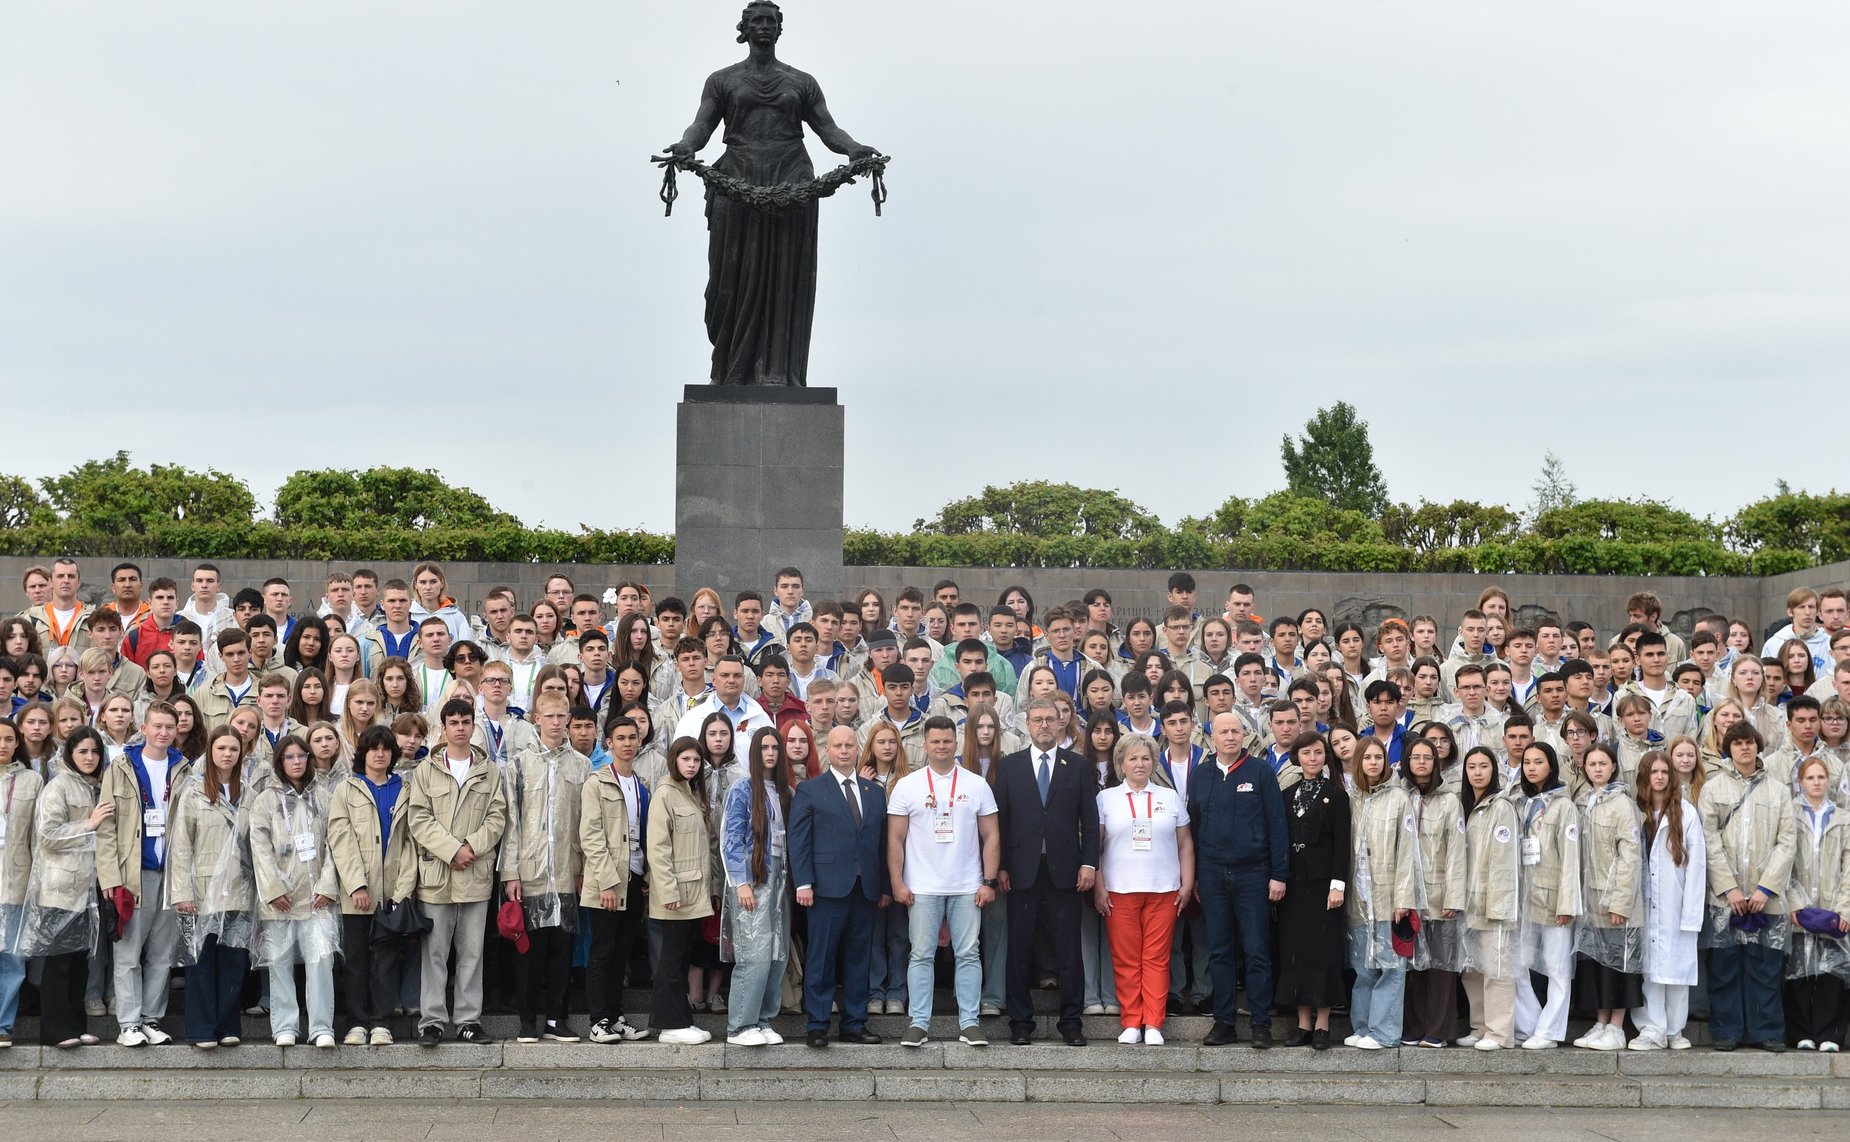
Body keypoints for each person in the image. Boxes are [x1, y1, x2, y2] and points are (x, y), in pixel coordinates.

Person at [886, 714, 1000, 1048]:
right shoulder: (908, 785)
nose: (941, 746)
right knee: (920, 954)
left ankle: (969, 1023)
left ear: (956, 742)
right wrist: (897, 882)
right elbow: (894, 839)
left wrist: (988, 881)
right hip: (921, 885)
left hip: (967, 884)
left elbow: (991, 835)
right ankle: (919, 1022)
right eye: (935, 741)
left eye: (947, 741)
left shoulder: (975, 784)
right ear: (925, 744)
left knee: (969, 954)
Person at [993, 697, 1100, 1046]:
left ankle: (1071, 1023)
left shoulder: (1079, 766)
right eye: (1037, 720)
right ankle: (1020, 1023)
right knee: (1019, 949)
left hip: (1066, 872)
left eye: (1050, 720)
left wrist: (1089, 864)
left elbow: (1090, 820)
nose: (1043, 726)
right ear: (1027, 723)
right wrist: (1002, 867)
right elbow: (1002, 822)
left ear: (1060, 724)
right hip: (1021, 872)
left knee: (1068, 949)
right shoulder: (1010, 767)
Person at [405, 697, 509, 1047]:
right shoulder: (426, 770)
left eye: (466, 721)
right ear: (444, 727)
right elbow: (418, 818)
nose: (461, 728)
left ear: (473, 726)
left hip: (475, 874)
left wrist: (471, 848)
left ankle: (467, 1019)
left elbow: (497, 817)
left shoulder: (489, 770)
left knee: (471, 953)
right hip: (437, 875)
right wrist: (451, 850)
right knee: (434, 953)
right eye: (454, 722)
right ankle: (432, 1021)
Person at [1190, 711, 1290, 1048]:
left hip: (1254, 874)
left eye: (1236, 731)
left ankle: (1260, 1023)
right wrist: (1198, 876)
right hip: (1214, 875)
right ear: (1212, 737)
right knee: (1220, 951)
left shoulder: (1260, 772)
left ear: (1245, 734)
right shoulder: (1201, 775)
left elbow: (1277, 825)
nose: (1230, 737)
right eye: (1223, 732)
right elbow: (1194, 827)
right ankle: (1224, 1022)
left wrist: (1279, 874)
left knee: (1257, 950)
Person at [94, 701, 189, 1047]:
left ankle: (151, 1017)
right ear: (144, 728)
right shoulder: (120, 767)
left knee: (163, 954)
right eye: (157, 726)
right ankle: (129, 1022)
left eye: (169, 727)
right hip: (134, 873)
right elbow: (106, 828)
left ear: (176, 731)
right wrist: (110, 877)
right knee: (129, 952)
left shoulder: (184, 769)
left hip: (172, 873)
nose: (163, 732)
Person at [1701, 721, 1798, 1052]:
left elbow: (1787, 843)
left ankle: (1767, 1030)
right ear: (1728, 748)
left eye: (1749, 742)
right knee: (1725, 967)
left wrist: (1765, 888)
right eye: (1737, 743)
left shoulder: (1778, 790)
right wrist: (1728, 888)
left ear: (1758, 746)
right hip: (1724, 898)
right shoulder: (1713, 789)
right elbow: (1708, 841)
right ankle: (1727, 1030)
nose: (1744, 748)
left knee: (1765, 967)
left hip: (1764, 898)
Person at [499, 690, 590, 1044]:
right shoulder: (519, 764)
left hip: (566, 872)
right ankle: (527, 1020)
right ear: (536, 718)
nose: (555, 722)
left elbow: (585, 822)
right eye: (548, 715)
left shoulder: (580, 766)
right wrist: (511, 872)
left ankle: (557, 1018)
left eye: (561, 716)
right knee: (529, 952)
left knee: (561, 951)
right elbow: (511, 821)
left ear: (568, 719)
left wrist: (583, 870)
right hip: (530, 872)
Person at [790, 724, 888, 1048]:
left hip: (866, 889)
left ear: (857, 748)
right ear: (827, 751)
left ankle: (854, 1024)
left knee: (860, 958)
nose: (844, 751)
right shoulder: (811, 789)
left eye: (849, 745)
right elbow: (799, 841)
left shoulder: (874, 792)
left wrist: (884, 885)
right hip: (825, 889)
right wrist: (803, 882)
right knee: (821, 958)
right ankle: (817, 1025)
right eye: (838, 746)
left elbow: (881, 843)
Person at [327, 725, 416, 1046]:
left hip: (392, 893)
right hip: (357, 895)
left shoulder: (405, 788)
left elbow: (410, 843)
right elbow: (340, 839)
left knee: (386, 960)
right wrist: (356, 885)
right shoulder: (347, 790)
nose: (380, 754)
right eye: (373, 748)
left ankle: (381, 1022)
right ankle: (356, 1022)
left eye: (386, 749)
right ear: (363, 753)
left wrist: (402, 890)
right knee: (356, 961)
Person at [249, 734, 340, 1047]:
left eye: (302, 756)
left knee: (320, 961)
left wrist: (328, 885)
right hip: (281, 900)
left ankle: (321, 1026)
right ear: (279, 762)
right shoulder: (266, 800)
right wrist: (272, 888)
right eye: (289, 757)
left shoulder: (325, 798)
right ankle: (285, 1024)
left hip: (317, 897)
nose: (297, 762)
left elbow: (335, 844)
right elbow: (259, 847)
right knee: (280, 961)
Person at [169, 726, 257, 1049]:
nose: (227, 754)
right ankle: (201, 1028)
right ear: (210, 751)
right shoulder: (192, 792)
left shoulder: (248, 793)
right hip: (201, 889)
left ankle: (228, 1025)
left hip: (238, 887)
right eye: (221, 748)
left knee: (234, 961)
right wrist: (181, 892)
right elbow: (181, 846)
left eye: (233, 749)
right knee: (200, 961)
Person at [22, 728, 110, 1048]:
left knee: (79, 960)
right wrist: (88, 824)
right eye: (83, 751)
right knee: (59, 961)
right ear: (70, 753)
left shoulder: (96, 786)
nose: (89, 758)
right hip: (60, 886)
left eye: (95, 752)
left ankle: (76, 1024)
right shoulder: (58, 786)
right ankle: (56, 1030)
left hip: (88, 887)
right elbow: (48, 835)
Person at [578, 712, 654, 1044]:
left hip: (635, 875)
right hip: (607, 880)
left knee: (622, 951)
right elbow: (591, 836)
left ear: (640, 742)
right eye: (620, 738)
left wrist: (648, 872)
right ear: (608, 743)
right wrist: (608, 881)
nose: (627, 743)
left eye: (632, 737)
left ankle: (616, 1015)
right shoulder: (597, 783)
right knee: (603, 950)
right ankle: (599, 1020)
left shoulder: (642, 786)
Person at [1273, 732, 1349, 1051]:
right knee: (1297, 951)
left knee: (1323, 951)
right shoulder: (1287, 794)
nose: (1313, 758)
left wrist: (1337, 884)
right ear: (1298, 758)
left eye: (1318, 753)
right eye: (1306, 753)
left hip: (1323, 885)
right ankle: (1302, 1023)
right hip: (1294, 883)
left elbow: (1342, 843)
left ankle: (1322, 1024)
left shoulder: (1337, 795)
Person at [719, 727, 794, 1046]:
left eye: (775, 747)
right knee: (755, 953)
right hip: (754, 876)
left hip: (781, 879)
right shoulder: (742, 789)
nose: (771, 753)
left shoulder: (786, 790)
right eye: (764, 747)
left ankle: (763, 1019)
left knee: (778, 953)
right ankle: (740, 1025)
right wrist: (741, 883)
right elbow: (730, 840)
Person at [1630, 750, 1706, 1051]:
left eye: (1664, 771)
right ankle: (1651, 1028)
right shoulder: (1635, 811)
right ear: (1644, 776)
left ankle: (1675, 1030)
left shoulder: (1686, 813)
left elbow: (1697, 867)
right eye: (1654, 772)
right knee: (1648, 971)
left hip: (1675, 905)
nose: (1659, 777)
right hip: (1642, 904)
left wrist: (1691, 913)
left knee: (1676, 971)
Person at [1572, 744, 1644, 1051]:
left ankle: (1617, 1026)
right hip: (1590, 899)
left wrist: (1620, 901)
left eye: (1603, 763)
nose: (1598, 769)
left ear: (1613, 767)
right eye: (1592, 764)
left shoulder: (1622, 804)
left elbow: (1629, 856)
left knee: (1619, 964)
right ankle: (1600, 1022)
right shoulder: (1582, 801)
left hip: (1614, 898)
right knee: (1595, 962)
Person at [1512, 742, 1583, 1050]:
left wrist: (1567, 903)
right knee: (1519, 965)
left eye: (1538, 761)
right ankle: (1530, 1024)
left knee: (1557, 968)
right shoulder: (1519, 802)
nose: (1531, 767)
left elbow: (1571, 858)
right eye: (1527, 762)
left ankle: (1551, 1030)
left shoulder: (1563, 805)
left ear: (1551, 766)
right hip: (1525, 897)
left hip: (1554, 897)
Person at [1345, 737, 1413, 1050]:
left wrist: (1404, 898)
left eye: (1378, 757)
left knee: (1390, 966)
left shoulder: (1399, 798)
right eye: (1367, 757)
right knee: (1363, 966)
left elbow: (1407, 852)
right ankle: (1362, 1027)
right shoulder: (1352, 797)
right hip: (1359, 898)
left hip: (1388, 898)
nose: (1373, 762)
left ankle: (1385, 1032)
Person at [647, 736, 715, 1045]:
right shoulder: (665, 793)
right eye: (685, 759)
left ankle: (681, 1020)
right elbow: (658, 848)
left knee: (682, 955)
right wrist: (668, 890)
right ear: (674, 760)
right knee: (671, 959)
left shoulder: (692, 794)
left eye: (696, 760)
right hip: (675, 895)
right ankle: (669, 1022)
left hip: (693, 893)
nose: (691, 765)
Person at [1401, 736, 1466, 1048]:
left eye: (1428, 757)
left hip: (1440, 894)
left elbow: (1457, 852)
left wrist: (1454, 897)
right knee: (1412, 965)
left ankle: (1437, 1030)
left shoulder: (1449, 801)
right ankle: (1412, 1026)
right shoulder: (1401, 797)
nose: (1422, 762)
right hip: (1407, 895)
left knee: (1440, 964)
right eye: (1416, 757)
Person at [1784, 756, 1850, 1051]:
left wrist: (1844, 907)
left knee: (1831, 972)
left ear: (1829, 780)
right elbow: (1784, 860)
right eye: (1810, 778)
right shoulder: (1790, 814)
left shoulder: (1843, 818)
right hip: (1800, 905)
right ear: (1800, 781)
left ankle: (1829, 1034)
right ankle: (1801, 1032)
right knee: (1799, 970)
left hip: (1832, 903)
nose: (1816, 782)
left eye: (1821, 777)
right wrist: (1793, 902)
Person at [1458, 746, 1521, 1050]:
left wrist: (1498, 905)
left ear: (1493, 770)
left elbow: (1504, 861)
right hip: (1466, 902)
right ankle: (1480, 1027)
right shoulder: (1465, 804)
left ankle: (1499, 1032)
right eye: (1472, 766)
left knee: (1497, 969)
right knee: (1472, 969)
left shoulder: (1501, 806)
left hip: (1492, 902)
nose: (1478, 772)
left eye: (1484, 766)